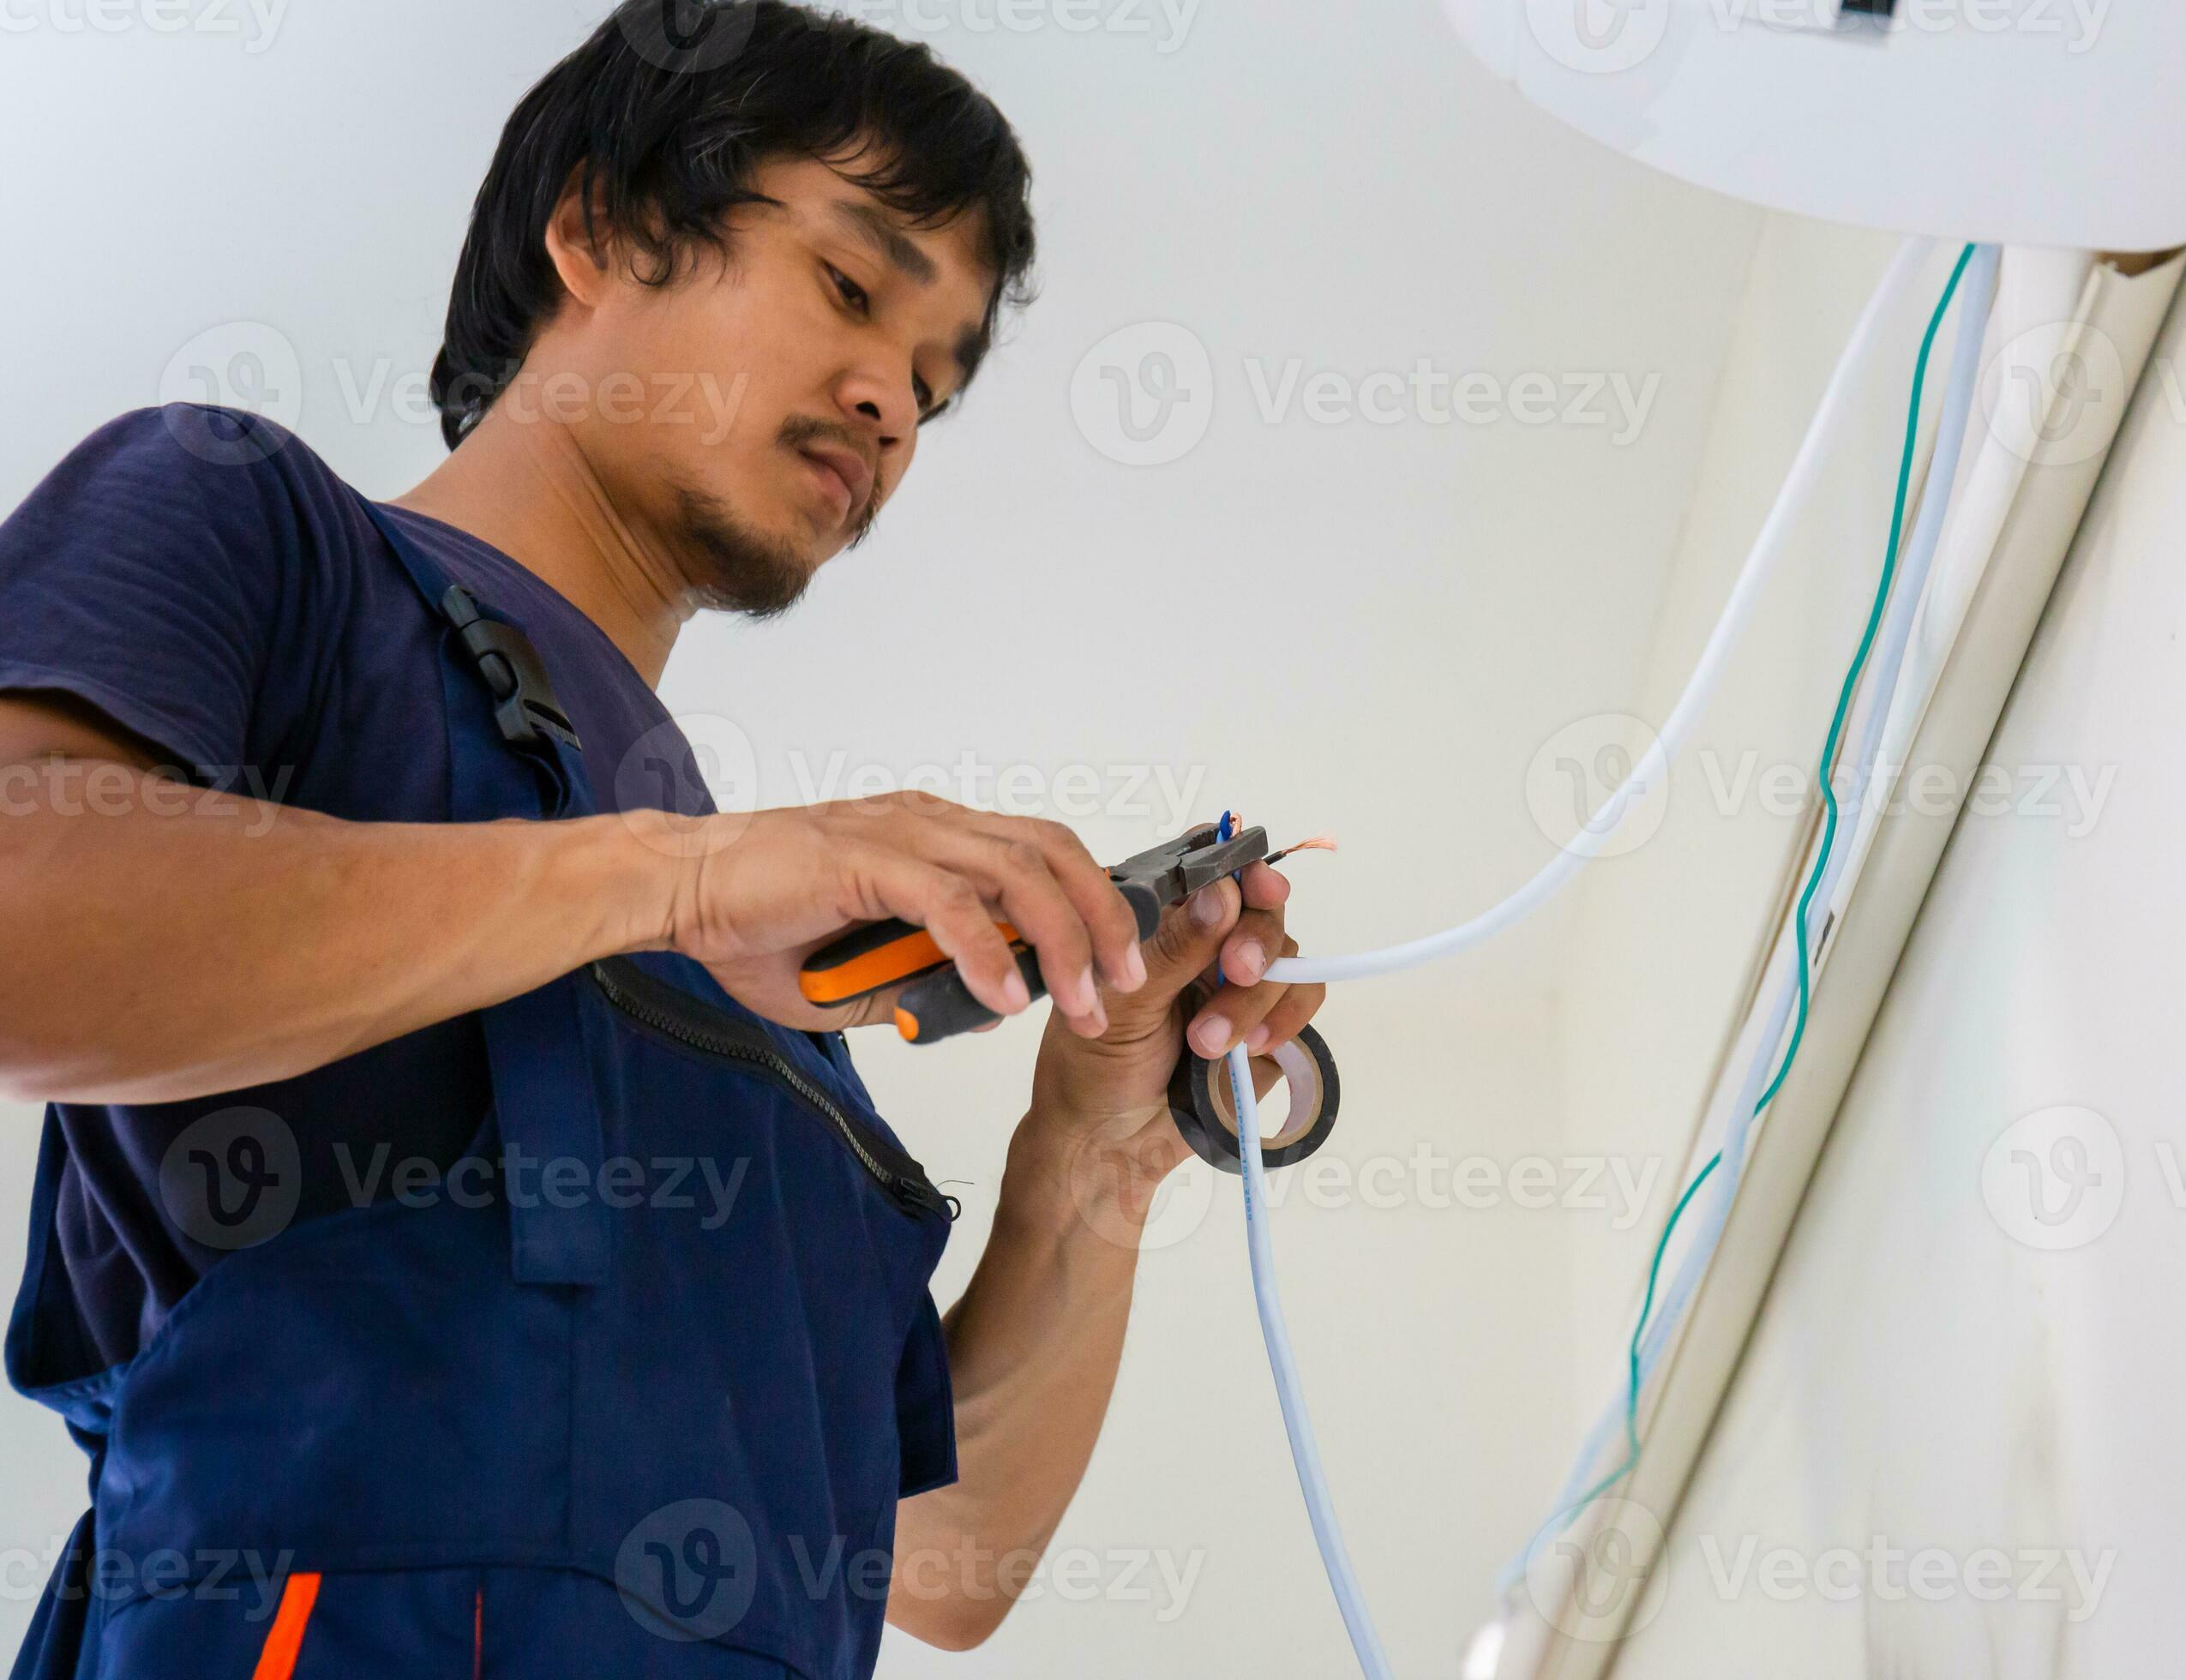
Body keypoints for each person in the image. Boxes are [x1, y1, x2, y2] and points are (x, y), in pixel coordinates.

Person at [0, 4, 1323, 1674]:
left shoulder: (780, 1004)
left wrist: (1097, 1142)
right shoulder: (248, 524)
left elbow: (942, 1554)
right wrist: (668, 877)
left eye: (934, 379)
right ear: (601, 224)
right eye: (852, 287)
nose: (892, 406)